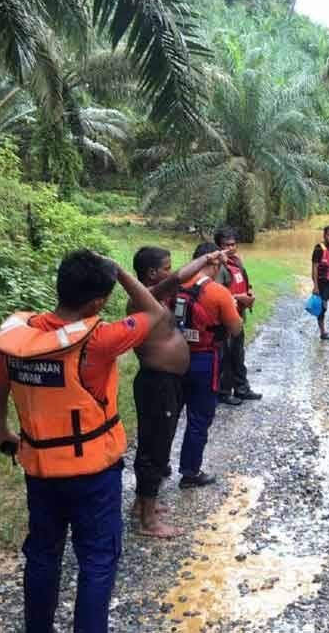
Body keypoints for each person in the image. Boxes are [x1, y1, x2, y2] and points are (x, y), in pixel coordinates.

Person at [0, 249, 166, 633]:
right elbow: (155, 313)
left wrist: (2, 432)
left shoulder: (20, 337)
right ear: (98, 301)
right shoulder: (100, 339)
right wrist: (118, 270)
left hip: (40, 471)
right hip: (93, 474)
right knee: (98, 559)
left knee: (42, 555)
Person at [129, 246, 225, 538]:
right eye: (166, 268)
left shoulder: (154, 299)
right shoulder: (143, 299)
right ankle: (148, 521)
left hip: (165, 382)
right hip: (157, 383)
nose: (171, 273)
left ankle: (142, 504)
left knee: (154, 443)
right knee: (154, 448)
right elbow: (182, 276)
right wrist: (206, 259)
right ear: (152, 274)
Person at [175, 242, 243, 489]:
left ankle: (159, 468)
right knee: (199, 417)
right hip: (204, 359)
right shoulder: (218, 293)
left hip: (173, 357)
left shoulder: (174, 286)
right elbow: (236, 328)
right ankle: (190, 471)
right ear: (212, 263)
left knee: (169, 417)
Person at [214, 227, 262, 406]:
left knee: (238, 353)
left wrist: (249, 293)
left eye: (233, 244)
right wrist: (239, 298)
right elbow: (216, 293)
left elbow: (242, 283)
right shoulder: (219, 267)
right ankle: (224, 392)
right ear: (219, 246)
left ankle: (242, 389)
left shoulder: (236, 262)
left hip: (238, 314)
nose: (231, 248)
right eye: (226, 245)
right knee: (226, 356)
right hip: (226, 318)